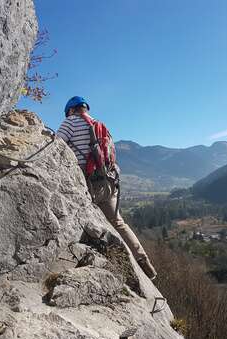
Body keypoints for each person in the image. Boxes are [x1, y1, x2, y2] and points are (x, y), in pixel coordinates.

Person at [57, 96, 157, 280]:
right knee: (118, 223)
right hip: (110, 181)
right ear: (85, 108)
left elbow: (55, 146)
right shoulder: (99, 124)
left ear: (70, 110)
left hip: (89, 185)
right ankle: (144, 262)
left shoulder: (70, 122)